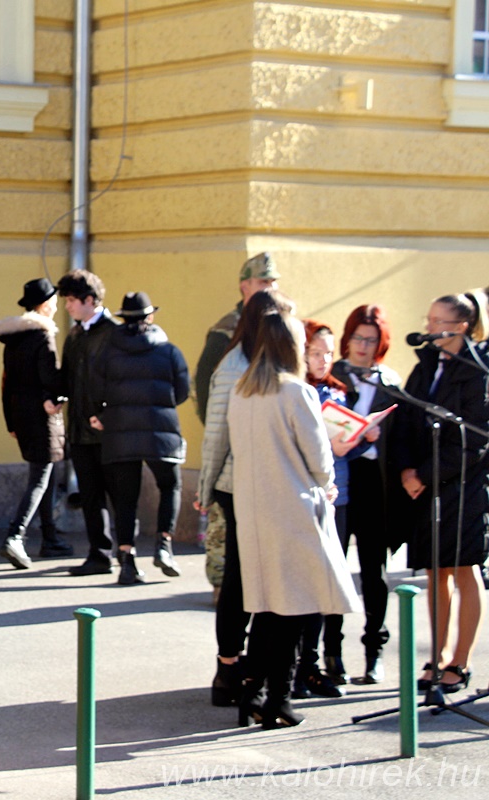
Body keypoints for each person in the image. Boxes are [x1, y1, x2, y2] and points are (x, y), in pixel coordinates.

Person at [228, 310, 359, 729]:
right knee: (296, 608)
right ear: (292, 346)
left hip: (254, 509)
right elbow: (319, 456)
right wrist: (327, 485)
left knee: (268, 607)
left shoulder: (241, 391)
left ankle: (253, 694)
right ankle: (277, 701)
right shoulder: (295, 391)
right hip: (292, 507)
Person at [198, 289, 295, 706]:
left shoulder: (277, 363)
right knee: (238, 580)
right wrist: (205, 489)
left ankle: (254, 670)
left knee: (264, 579)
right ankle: (228, 668)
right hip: (237, 486)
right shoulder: (234, 364)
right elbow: (216, 433)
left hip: (271, 487)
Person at [391, 291, 488, 694]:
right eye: (428, 320)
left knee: (464, 569)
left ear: (461, 326)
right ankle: (438, 654)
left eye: (437, 321)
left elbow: (475, 439)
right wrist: (406, 471)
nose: (429, 328)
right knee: (436, 572)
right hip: (425, 487)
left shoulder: (479, 370)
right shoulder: (427, 365)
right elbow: (406, 418)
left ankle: (460, 662)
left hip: (464, 486)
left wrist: (426, 474)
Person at [292, 320, 377, 701]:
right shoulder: (295, 391)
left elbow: (344, 449)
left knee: (327, 584)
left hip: (336, 499)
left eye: (328, 353)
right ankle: (296, 666)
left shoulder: (337, 392)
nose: (323, 360)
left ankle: (317, 662)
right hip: (304, 498)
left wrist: (364, 438)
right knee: (303, 586)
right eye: (315, 353)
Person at [88, 291, 190, 585]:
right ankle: (164, 545)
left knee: (124, 498)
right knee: (170, 485)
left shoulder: (107, 351)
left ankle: (127, 560)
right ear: (150, 316)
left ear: (123, 318)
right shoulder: (169, 351)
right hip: (161, 432)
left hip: (119, 432)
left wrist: (102, 414)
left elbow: (94, 389)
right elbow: (182, 391)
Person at [195, 253, 281, 597]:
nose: (269, 288)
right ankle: (221, 584)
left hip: (268, 443)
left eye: (273, 282)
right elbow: (206, 386)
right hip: (232, 441)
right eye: (262, 282)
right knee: (224, 525)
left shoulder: (281, 323)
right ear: (245, 286)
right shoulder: (226, 329)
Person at [330, 304, 405, 685]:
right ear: (347, 338)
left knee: (375, 573)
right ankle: (332, 654)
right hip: (341, 480)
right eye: (358, 338)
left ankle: (374, 653)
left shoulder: (389, 381)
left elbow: (403, 437)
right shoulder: (332, 374)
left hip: (377, 483)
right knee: (334, 569)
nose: (363, 346)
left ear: (382, 343)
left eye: (371, 340)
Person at [0, 278, 71, 569]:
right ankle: (15, 536)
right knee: (40, 476)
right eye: (54, 301)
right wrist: (61, 393)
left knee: (45, 473)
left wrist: (10, 421)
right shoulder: (43, 335)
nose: (57, 306)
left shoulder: (14, 338)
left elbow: (6, 384)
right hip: (41, 418)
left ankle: (50, 537)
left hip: (21, 417)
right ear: (46, 304)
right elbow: (50, 378)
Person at [57, 270, 119, 576]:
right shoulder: (75, 335)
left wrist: (107, 415)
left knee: (120, 496)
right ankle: (99, 554)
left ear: (90, 300)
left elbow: (122, 381)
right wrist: (55, 395)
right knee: (92, 497)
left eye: (72, 300)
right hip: (80, 431)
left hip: (110, 433)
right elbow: (67, 378)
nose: (67, 306)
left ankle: (127, 554)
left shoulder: (114, 333)